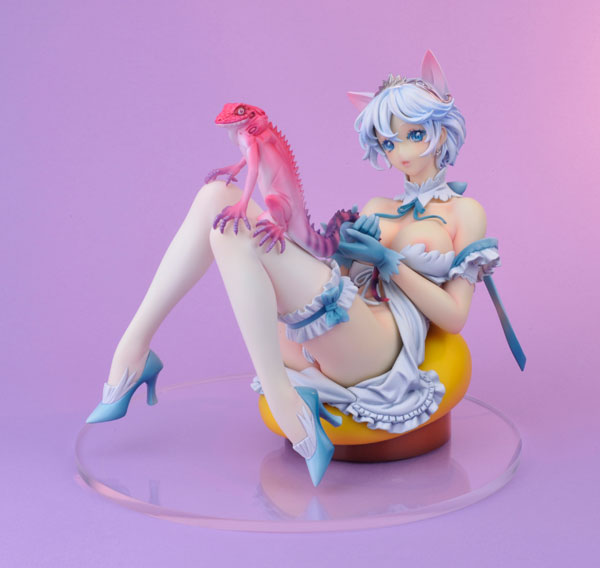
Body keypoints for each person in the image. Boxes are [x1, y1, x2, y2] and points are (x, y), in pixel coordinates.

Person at [86, 51, 520, 487]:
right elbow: (345, 283)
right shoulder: (377, 206)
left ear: (442, 130)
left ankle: (282, 402)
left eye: (413, 134)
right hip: (336, 329)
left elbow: (455, 317)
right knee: (215, 198)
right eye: (388, 143)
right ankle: (134, 350)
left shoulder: (465, 212)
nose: (400, 152)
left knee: (231, 232)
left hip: (379, 347)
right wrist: (347, 254)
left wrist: (389, 263)